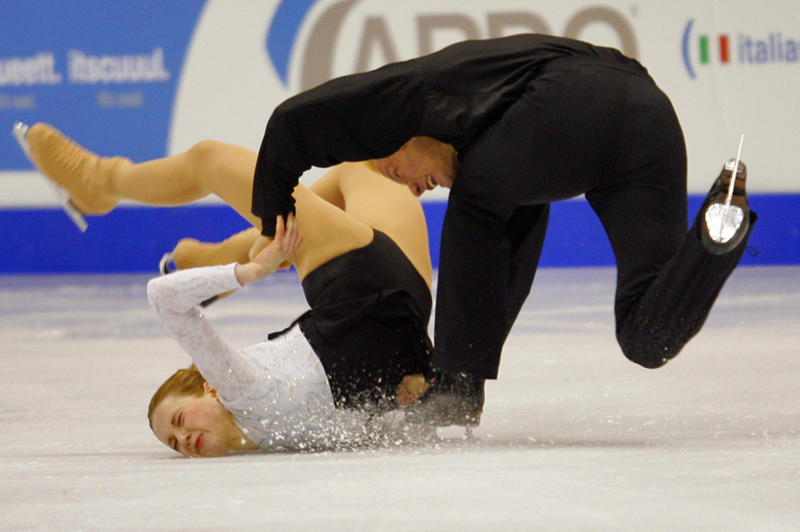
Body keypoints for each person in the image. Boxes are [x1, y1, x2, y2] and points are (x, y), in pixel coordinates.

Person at [245, 33, 756, 427]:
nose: (414, 189)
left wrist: (273, 220)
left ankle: (457, 389)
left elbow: (291, 120)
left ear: (401, 132)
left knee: (479, 199)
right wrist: (456, 364)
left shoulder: (412, 95)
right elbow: (502, 261)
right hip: (650, 124)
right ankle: (716, 238)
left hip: (584, 90)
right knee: (648, 339)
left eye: (398, 171)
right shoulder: (505, 167)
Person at [21, 122, 436, 457]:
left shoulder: (234, 385)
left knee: (210, 160)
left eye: (180, 422)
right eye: (173, 444)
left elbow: (164, 298)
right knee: (364, 170)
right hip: (406, 310)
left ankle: (104, 182)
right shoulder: (270, 440)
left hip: (360, 283)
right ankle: (227, 253)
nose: (183, 441)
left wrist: (248, 273)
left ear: (209, 387)